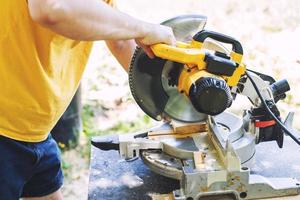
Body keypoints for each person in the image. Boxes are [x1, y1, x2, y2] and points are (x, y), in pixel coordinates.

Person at [0, 0, 176, 199]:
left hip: (34, 130)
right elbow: (52, 8)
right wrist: (142, 29)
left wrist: (173, 102)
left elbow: (119, 41)